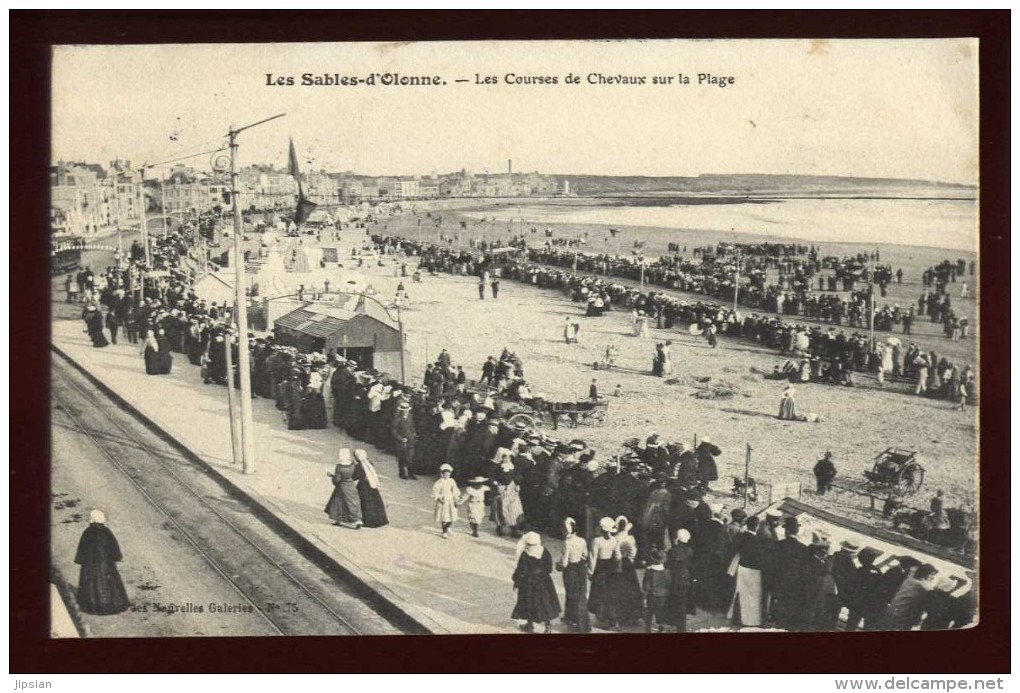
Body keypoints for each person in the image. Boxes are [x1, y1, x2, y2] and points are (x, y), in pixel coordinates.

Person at [74, 509, 130, 615]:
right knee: (110, 584)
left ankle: (92, 605)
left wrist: (80, 559)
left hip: (90, 565)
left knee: (91, 585)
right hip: (106, 565)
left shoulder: (87, 532)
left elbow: (82, 548)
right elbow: (114, 546)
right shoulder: (106, 532)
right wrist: (117, 557)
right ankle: (111, 604)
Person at [511, 532, 562, 633]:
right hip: (544, 581)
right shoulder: (545, 551)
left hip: (528, 582)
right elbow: (549, 568)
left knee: (529, 602)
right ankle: (548, 626)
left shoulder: (525, 554)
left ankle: (530, 625)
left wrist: (516, 581)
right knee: (545, 603)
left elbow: (521, 570)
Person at [728, 515, 766, 627]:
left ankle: (737, 617)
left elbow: (733, 549)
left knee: (739, 592)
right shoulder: (758, 540)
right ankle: (750, 620)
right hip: (754, 569)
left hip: (740, 567)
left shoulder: (740, 536)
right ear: (757, 526)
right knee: (752, 596)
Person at [588, 516, 622, 628]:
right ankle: (612, 617)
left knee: (600, 592)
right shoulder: (614, 540)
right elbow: (618, 556)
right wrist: (617, 568)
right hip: (610, 567)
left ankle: (602, 615)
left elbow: (593, 558)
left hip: (600, 567)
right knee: (610, 593)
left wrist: (590, 572)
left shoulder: (596, 541)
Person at [558, 517, 591, 633]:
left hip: (570, 570)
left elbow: (564, 562)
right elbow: (585, 555)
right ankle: (576, 618)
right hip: (580, 569)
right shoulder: (582, 540)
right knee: (580, 594)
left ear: (567, 530)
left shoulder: (566, 543)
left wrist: (559, 566)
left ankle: (572, 618)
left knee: (570, 593)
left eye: (563, 529)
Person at [884, 563, 939, 631]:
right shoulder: (921, 585)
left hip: (893, 610)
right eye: (931, 574)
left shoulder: (909, 579)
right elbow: (932, 596)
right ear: (925, 574)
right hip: (902, 615)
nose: (932, 577)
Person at [324, 448, 363, 529]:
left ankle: (338, 519)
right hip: (351, 485)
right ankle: (357, 519)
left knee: (338, 502)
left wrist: (332, 476)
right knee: (352, 502)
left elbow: (337, 479)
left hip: (342, 486)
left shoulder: (339, 467)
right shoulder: (352, 464)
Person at [665, 528, 694, 632]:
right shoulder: (690, 551)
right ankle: (681, 625)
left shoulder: (672, 551)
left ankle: (677, 625)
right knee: (682, 601)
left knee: (675, 600)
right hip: (685, 577)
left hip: (674, 577)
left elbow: (667, 565)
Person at [353, 449, 388, 528]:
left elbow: (355, 477)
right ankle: (379, 520)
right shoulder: (369, 463)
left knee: (366, 504)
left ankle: (368, 521)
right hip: (372, 485)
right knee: (375, 502)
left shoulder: (359, 466)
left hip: (363, 487)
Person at [432, 464, 460, 539]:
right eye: (445, 474)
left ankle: (448, 527)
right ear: (442, 474)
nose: (447, 475)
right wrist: (439, 498)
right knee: (444, 517)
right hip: (443, 500)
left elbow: (455, 490)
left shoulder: (452, 481)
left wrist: (456, 499)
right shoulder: (440, 481)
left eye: (449, 474)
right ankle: (444, 531)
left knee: (451, 515)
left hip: (450, 500)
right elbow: (435, 491)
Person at [392, 401, 417, 480]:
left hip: (410, 440)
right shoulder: (397, 419)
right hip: (402, 441)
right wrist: (401, 438)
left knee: (410, 457)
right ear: (401, 410)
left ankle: (411, 473)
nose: (406, 411)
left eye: (407, 409)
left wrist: (414, 433)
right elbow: (394, 431)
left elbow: (412, 426)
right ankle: (402, 473)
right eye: (404, 410)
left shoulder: (410, 416)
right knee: (402, 457)